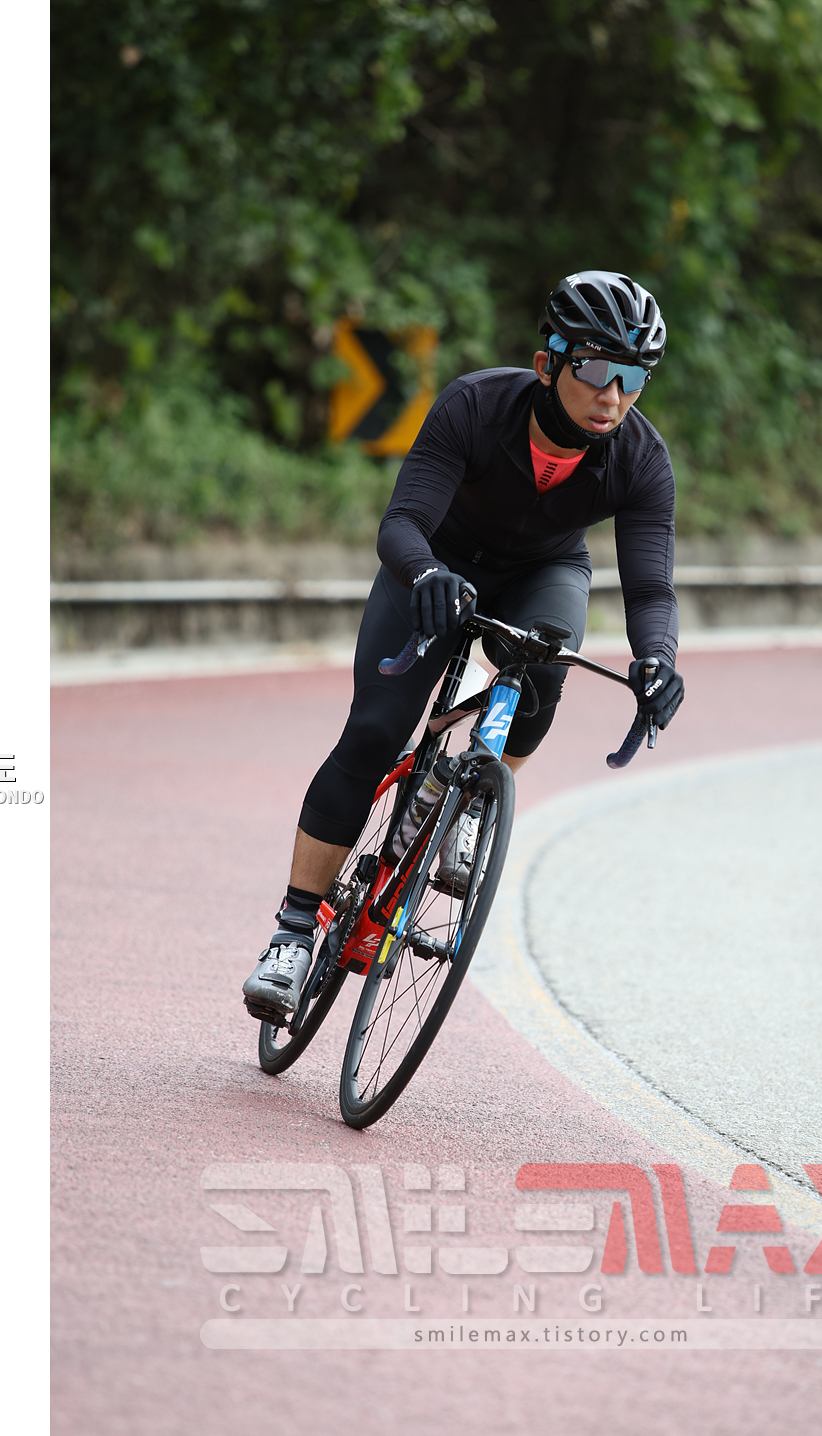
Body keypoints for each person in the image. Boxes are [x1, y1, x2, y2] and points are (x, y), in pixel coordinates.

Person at [242, 271, 686, 1024]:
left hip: (544, 571)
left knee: (549, 661)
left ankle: (471, 795)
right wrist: (425, 572)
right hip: (436, 563)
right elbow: (401, 524)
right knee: (375, 730)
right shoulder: (476, 406)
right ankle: (292, 933)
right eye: (595, 370)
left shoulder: (641, 458)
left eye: (634, 377)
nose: (613, 396)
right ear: (548, 363)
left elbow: (650, 591)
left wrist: (658, 659)